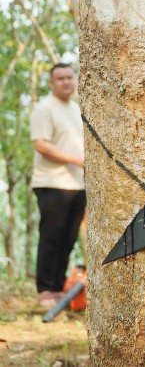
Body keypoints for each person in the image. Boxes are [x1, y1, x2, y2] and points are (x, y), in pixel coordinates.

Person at [30, 62, 86, 308]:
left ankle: (57, 288)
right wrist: (75, 160)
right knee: (51, 237)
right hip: (52, 183)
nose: (66, 82)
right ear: (51, 83)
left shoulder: (76, 108)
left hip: (77, 184)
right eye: (60, 78)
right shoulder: (44, 108)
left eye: (69, 77)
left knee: (68, 239)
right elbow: (41, 144)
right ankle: (45, 291)